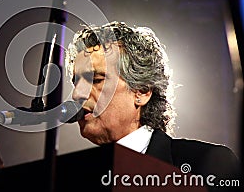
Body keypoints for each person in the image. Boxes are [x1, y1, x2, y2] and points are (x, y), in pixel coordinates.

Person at [64, 21, 242, 191]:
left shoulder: (207, 165)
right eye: (76, 82)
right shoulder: (71, 179)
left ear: (141, 92)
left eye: (96, 79)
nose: (76, 94)